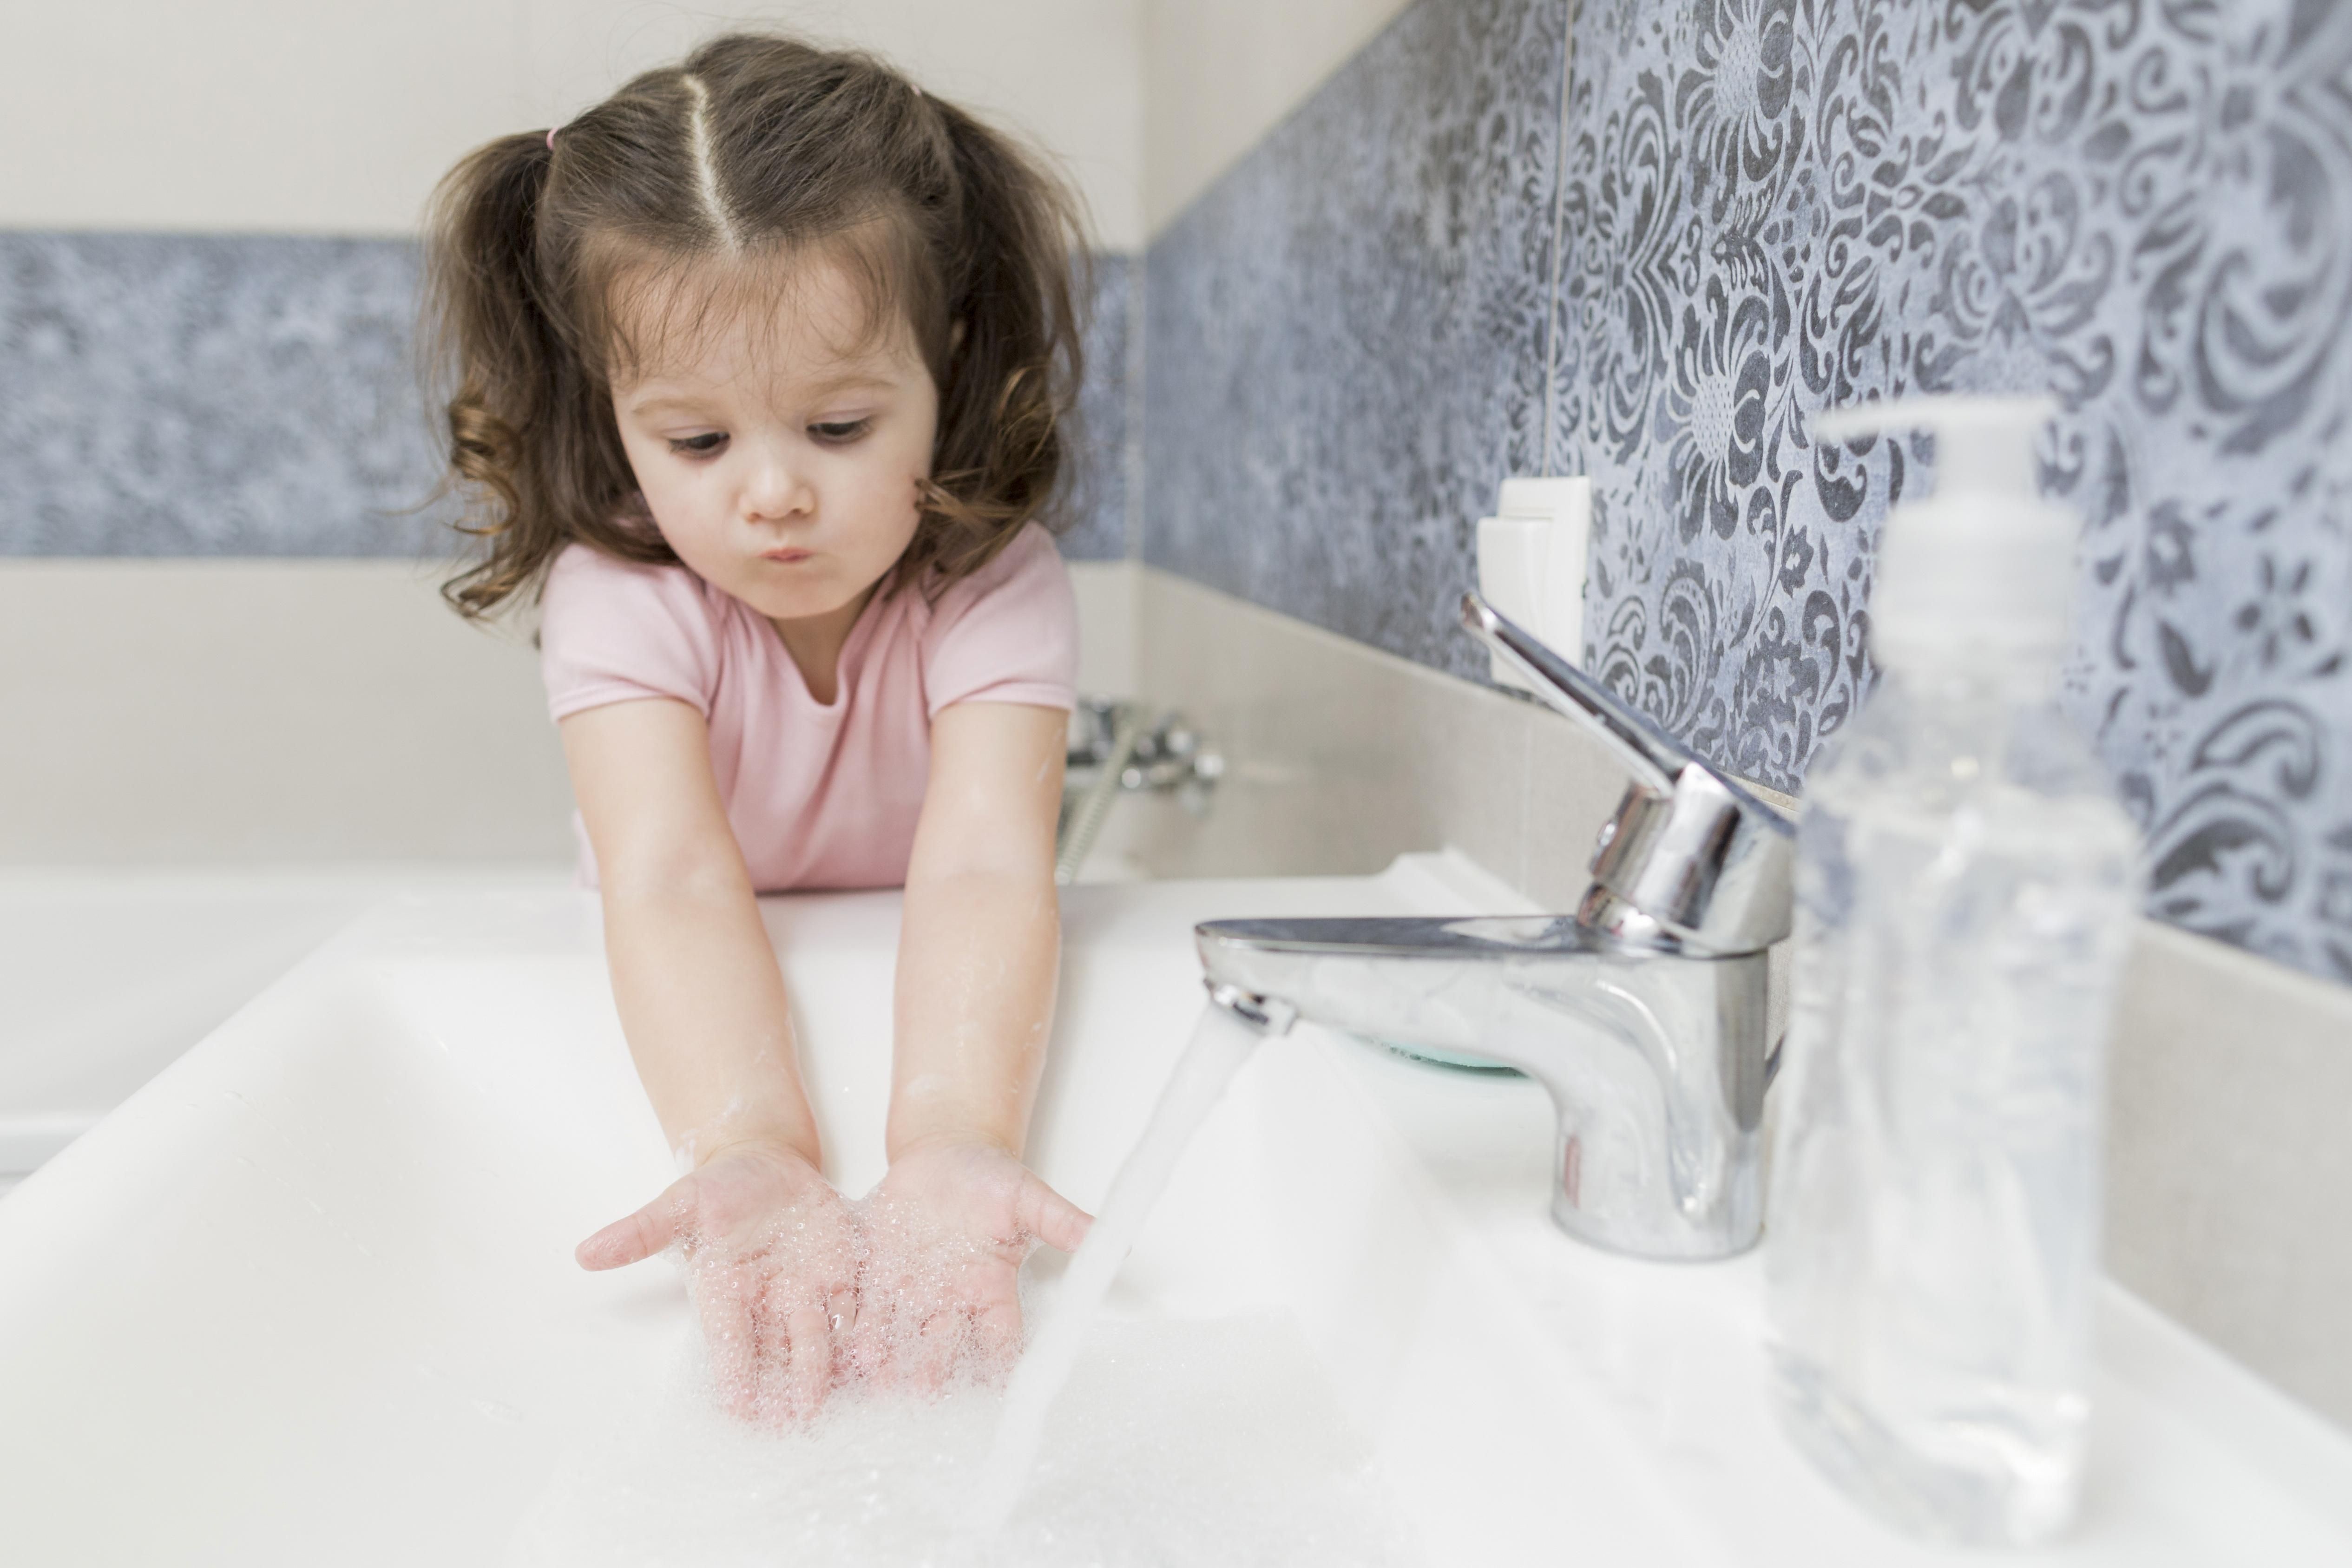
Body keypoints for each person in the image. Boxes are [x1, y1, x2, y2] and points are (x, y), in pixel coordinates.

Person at [418, 31, 1093, 1428]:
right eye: (699, 443)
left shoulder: (992, 580)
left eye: (839, 427)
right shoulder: (622, 595)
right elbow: (666, 875)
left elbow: (982, 866)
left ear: (947, 359)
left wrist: (958, 1137)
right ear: (612, 410)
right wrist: (749, 1142)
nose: (772, 495)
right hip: (700, 969)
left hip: (883, 936)